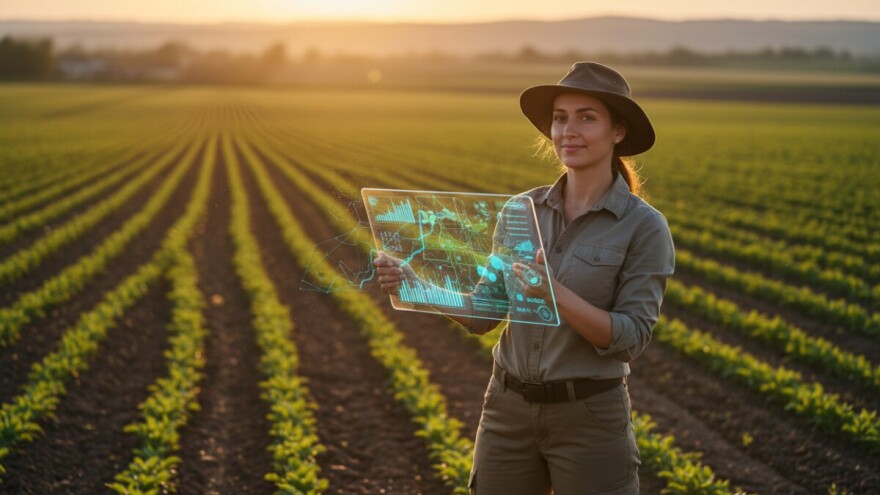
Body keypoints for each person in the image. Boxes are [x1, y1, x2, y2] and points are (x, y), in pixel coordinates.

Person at [373, 62, 675, 494]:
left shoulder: (643, 227)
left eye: (587, 117)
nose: (568, 130)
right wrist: (415, 285)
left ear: (618, 132)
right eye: (560, 118)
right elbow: (485, 313)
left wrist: (554, 293)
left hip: (589, 418)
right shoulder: (520, 211)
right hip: (507, 411)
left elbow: (630, 337)